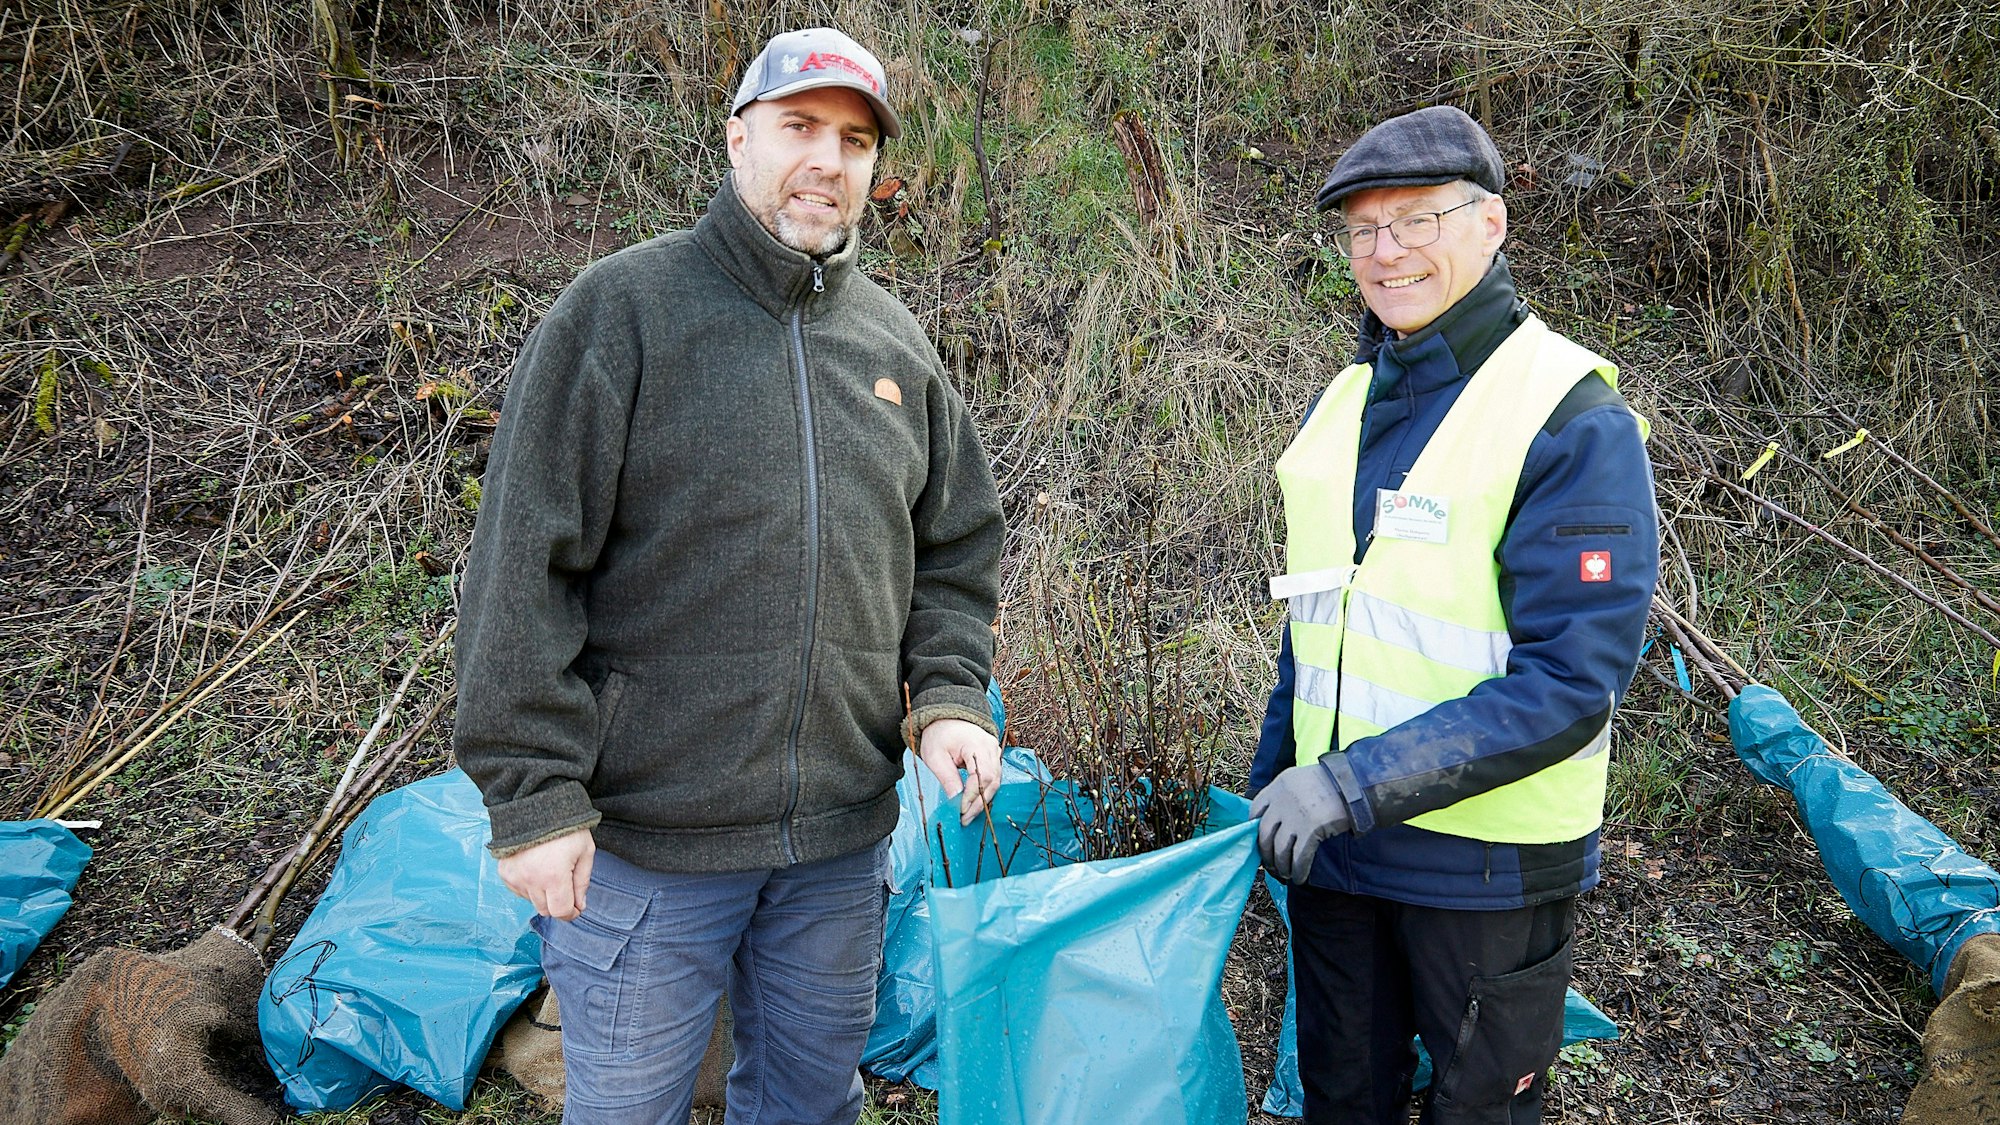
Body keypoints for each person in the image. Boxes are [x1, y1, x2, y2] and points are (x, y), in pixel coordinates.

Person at [453, 26, 1005, 1124]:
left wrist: (945, 697)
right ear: (736, 137)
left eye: (852, 141)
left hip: (838, 848)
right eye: (799, 128)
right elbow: (521, 568)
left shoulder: (894, 345)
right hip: (646, 849)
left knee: (808, 1105)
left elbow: (952, 548)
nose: (826, 161)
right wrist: (534, 796)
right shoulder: (620, 314)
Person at [1248, 106, 1659, 1124]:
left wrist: (1346, 785)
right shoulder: (1343, 400)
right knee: (1343, 1102)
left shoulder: (1566, 417)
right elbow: (1317, 631)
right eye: (1362, 231)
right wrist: (1269, 788)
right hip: (1340, 862)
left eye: (1418, 221)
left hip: (1482, 875)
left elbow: (1572, 682)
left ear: (1489, 225)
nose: (1385, 254)